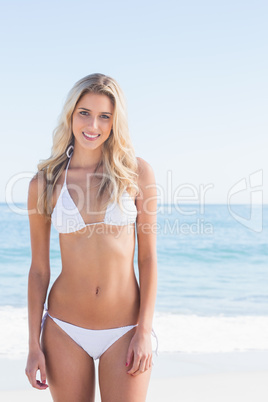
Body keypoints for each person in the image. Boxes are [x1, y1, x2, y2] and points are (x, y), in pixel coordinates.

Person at [25, 73, 158, 401]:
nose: (93, 125)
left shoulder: (137, 173)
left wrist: (143, 331)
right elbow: (39, 269)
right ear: (71, 114)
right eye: (84, 112)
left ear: (115, 122)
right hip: (64, 329)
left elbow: (148, 258)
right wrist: (32, 345)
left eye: (104, 116)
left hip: (125, 330)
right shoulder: (44, 184)